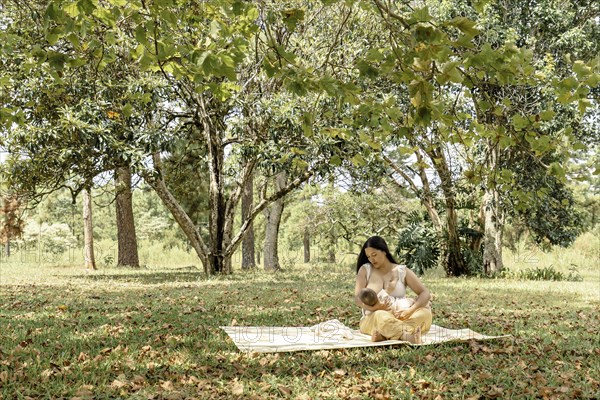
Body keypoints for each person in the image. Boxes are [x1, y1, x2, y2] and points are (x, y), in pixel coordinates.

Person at [354, 236, 432, 344]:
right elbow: (358, 299)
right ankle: (407, 336)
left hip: (401, 316)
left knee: (425, 314)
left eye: (374, 255)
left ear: (384, 251)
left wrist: (411, 310)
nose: (372, 259)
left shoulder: (401, 270)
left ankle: (385, 335)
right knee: (380, 316)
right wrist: (375, 308)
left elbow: (425, 293)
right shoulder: (365, 269)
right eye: (368, 257)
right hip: (374, 317)